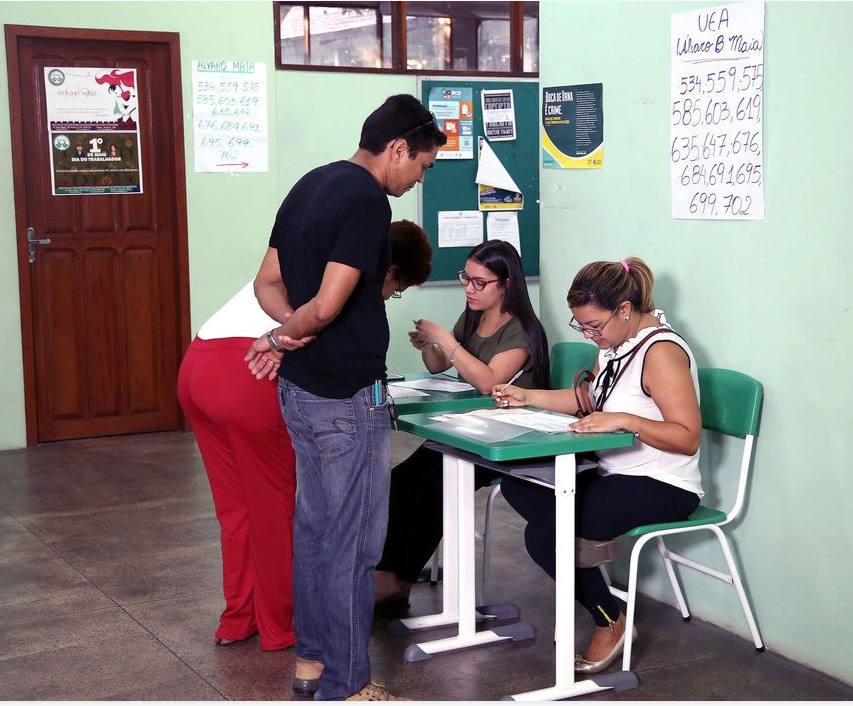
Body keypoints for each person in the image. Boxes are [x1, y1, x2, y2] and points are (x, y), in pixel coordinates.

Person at [243, 95, 446, 702]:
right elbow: (329, 305)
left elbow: (267, 281)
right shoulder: (364, 199)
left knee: (314, 534)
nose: (416, 181)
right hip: (347, 400)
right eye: (422, 167)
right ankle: (348, 685)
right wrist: (289, 334)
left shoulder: (310, 184)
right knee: (353, 546)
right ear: (398, 148)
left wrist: (288, 338)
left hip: (303, 393)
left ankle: (311, 665)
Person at [177, 219, 433, 658]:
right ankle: (280, 628)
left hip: (198, 367)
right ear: (391, 272)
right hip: (248, 372)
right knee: (274, 511)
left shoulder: (314, 255)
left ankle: (238, 619)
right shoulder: (348, 279)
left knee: (236, 511)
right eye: (399, 287)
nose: (390, 296)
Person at [491, 256, 703, 675]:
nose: (590, 335)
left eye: (594, 326)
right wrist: (528, 397)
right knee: (519, 484)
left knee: (545, 535)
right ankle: (583, 544)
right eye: (581, 327)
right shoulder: (617, 342)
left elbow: (687, 436)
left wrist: (627, 421)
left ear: (624, 310)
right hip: (615, 474)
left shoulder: (660, 351)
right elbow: (591, 402)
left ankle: (611, 619)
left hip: (663, 483)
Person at [375, 239, 551, 606]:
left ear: (506, 284)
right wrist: (428, 345)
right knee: (401, 480)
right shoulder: (473, 316)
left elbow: (489, 381)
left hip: (507, 439)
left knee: (433, 488)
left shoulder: (522, 330)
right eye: (465, 279)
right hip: (469, 430)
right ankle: (386, 572)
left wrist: (444, 339)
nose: (469, 289)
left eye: (479, 282)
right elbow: (440, 365)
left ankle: (400, 582)